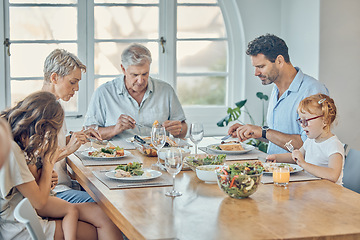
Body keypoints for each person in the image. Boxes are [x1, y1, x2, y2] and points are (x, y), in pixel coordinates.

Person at [0, 91, 122, 240]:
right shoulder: (12, 150)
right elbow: (39, 202)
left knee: (105, 216)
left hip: (33, 207)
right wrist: (47, 165)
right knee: (95, 230)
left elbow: (33, 182)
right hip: (21, 223)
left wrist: (45, 173)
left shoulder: (17, 140)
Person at [228, 34, 329, 154]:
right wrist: (252, 131)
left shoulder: (313, 90)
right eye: (255, 67)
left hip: (299, 172)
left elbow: (309, 145)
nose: (256, 73)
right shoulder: (276, 89)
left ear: (279, 61)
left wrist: (264, 131)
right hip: (273, 169)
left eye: (261, 66)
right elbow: (278, 138)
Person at [84, 43, 187, 140]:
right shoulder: (103, 93)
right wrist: (115, 129)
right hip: (118, 156)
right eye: (135, 75)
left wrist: (179, 129)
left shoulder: (166, 91)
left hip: (156, 155)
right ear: (123, 69)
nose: (140, 81)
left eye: (145, 74)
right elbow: (88, 134)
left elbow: (183, 129)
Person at [42, 48, 101, 203]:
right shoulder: (40, 111)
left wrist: (80, 135)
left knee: (105, 191)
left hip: (65, 184)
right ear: (54, 78)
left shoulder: (56, 106)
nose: (77, 88)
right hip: (53, 191)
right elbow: (40, 161)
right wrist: (69, 150)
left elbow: (55, 143)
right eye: (73, 82)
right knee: (106, 206)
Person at [266, 94, 344, 185]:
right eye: (300, 121)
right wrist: (276, 157)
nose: (302, 125)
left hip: (331, 194)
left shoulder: (333, 145)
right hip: (314, 189)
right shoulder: (310, 141)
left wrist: (304, 164)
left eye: (306, 121)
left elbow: (333, 175)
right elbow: (296, 157)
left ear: (325, 121)